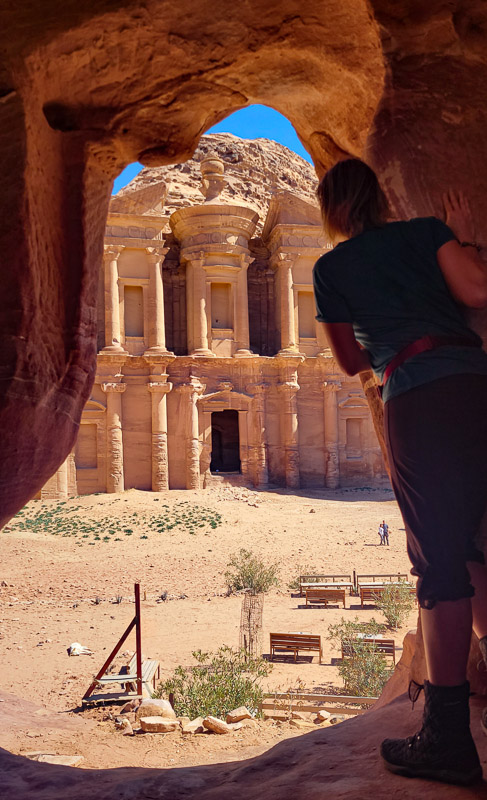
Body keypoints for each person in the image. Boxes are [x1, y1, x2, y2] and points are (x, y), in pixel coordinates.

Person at [313, 158, 487, 786]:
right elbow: (476, 292)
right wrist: (463, 247)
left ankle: (446, 738)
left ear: (332, 210)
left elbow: (348, 360)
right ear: (381, 197)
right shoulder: (425, 232)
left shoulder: (332, 268)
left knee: (438, 560)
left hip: (417, 395)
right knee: (474, 548)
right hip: (477, 383)